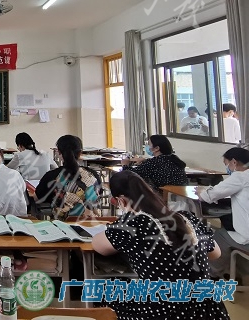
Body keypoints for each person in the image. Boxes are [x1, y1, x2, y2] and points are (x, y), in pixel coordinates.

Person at [93, 170, 229, 320]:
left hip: (164, 312)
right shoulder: (186, 217)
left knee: (105, 290)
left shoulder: (132, 224)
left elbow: (98, 246)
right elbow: (216, 253)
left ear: (121, 201)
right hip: (209, 310)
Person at [196, 147, 249, 278]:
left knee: (219, 236)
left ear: (234, 162)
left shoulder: (240, 177)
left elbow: (208, 196)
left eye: (227, 164)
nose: (227, 168)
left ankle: (211, 274)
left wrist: (201, 191)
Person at [35, 135, 101, 220]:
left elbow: (37, 198)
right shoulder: (94, 175)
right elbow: (98, 195)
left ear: (59, 152)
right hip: (92, 224)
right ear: (80, 153)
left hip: (62, 225)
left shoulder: (51, 176)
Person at [121, 134, 187, 191]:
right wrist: (145, 160)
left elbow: (131, 174)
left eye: (149, 144)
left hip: (161, 196)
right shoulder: (174, 159)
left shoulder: (153, 163)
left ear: (156, 148)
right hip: (180, 195)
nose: (147, 146)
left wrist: (125, 164)